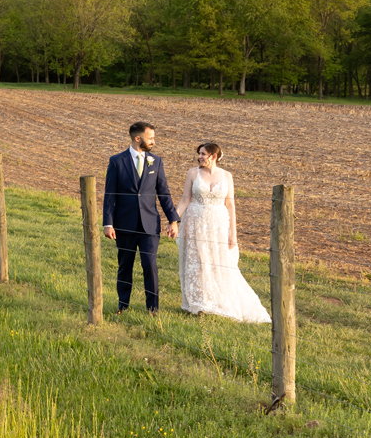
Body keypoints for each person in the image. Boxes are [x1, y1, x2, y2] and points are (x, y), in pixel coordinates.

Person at [177, 142, 271, 323]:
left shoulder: (227, 176)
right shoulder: (192, 173)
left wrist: (233, 234)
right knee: (197, 262)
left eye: (203, 154)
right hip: (195, 223)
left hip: (218, 225)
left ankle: (218, 301)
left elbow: (230, 205)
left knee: (219, 262)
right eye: (199, 154)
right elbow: (185, 199)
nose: (199, 157)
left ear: (213, 156)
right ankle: (200, 303)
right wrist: (174, 220)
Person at [103, 121, 179, 314]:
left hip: (149, 225)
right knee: (125, 265)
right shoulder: (117, 161)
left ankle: (153, 308)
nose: (153, 141)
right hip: (124, 224)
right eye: (150, 138)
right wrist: (108, 223)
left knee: (150, 265)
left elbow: (164, 194)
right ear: (138, 138)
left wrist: (173, 220)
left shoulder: (156, 161)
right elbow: (110, 195)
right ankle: (123, 305)